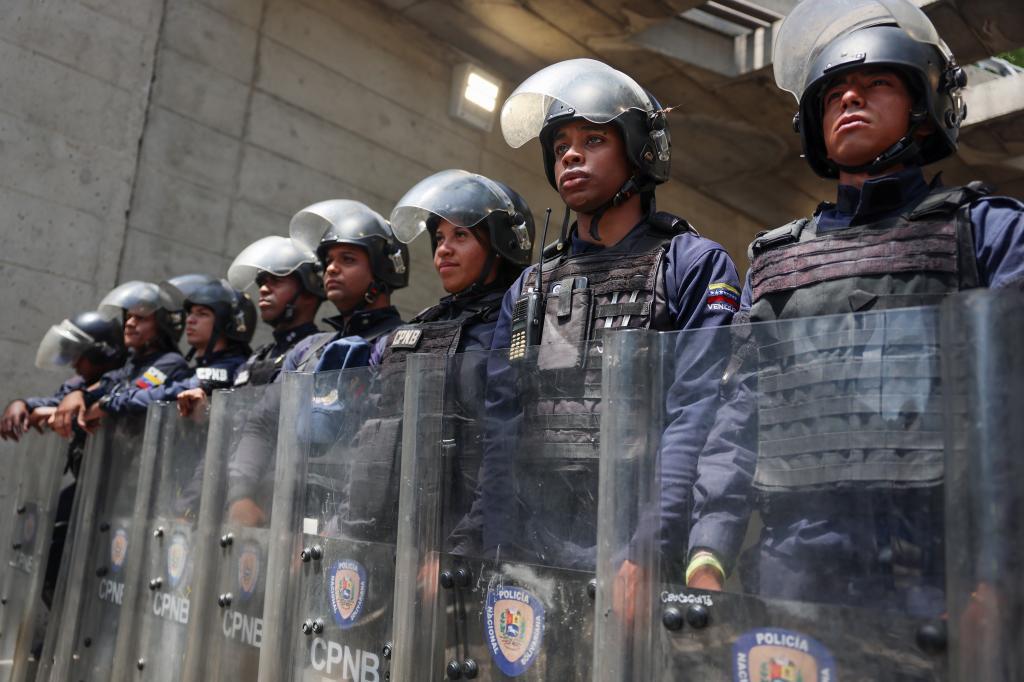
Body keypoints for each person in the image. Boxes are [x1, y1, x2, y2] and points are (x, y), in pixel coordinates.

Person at [686, 0, 1024, 617]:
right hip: (795, 564)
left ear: (924, 107)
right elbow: (739, 413)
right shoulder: (773, 260)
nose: (850, 99)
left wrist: (999, 570)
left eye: (876, 84)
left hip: (942, 567)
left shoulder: (985, 234)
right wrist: (709, 549)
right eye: (833, 91)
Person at [219, 200, 409, 528]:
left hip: (355, 528)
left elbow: (386, 453)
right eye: (328, 261)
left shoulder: (400, 344)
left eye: (347, 259)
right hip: (280, 517)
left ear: (382, 270)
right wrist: (241, 494)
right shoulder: (308, 349)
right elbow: (262, 423)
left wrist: (335, 531)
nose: (331, 269)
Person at [50, 281, 191, 438]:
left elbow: (131, 393)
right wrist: (78, 395)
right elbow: (106, 384)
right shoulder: (132, 362)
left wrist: (90, 410)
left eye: (141, 318)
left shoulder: (170, 362)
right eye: (129, 316)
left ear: (162, 324)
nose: (129, 323)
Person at [1, 312, 125, 442]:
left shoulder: (129, 375)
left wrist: (81, 396)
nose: (74, 365)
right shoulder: (79, 383)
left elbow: (118, 387)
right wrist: (22, 405)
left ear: (98, 355)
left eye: (78, 357)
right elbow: (59, 401)